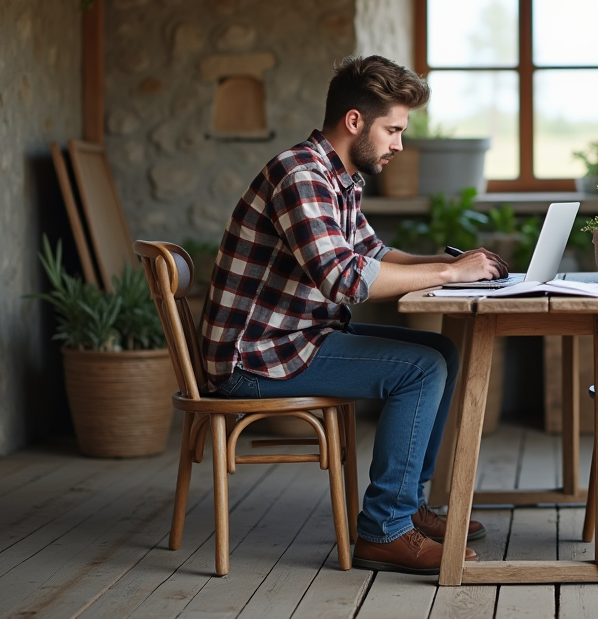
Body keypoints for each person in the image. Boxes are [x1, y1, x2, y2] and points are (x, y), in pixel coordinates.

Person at [200, 55, 508, 575]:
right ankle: (383, 531)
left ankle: (406, 507)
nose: (398, 145)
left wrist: (449, 264)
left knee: (441, 350)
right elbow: (346, 278)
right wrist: (452, 278)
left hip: (293, 339)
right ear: (354, 122)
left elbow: (375, 253)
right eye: (393, 130)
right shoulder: (299, 175)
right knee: (420, 368)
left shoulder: (336, 176)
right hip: (253, 360)